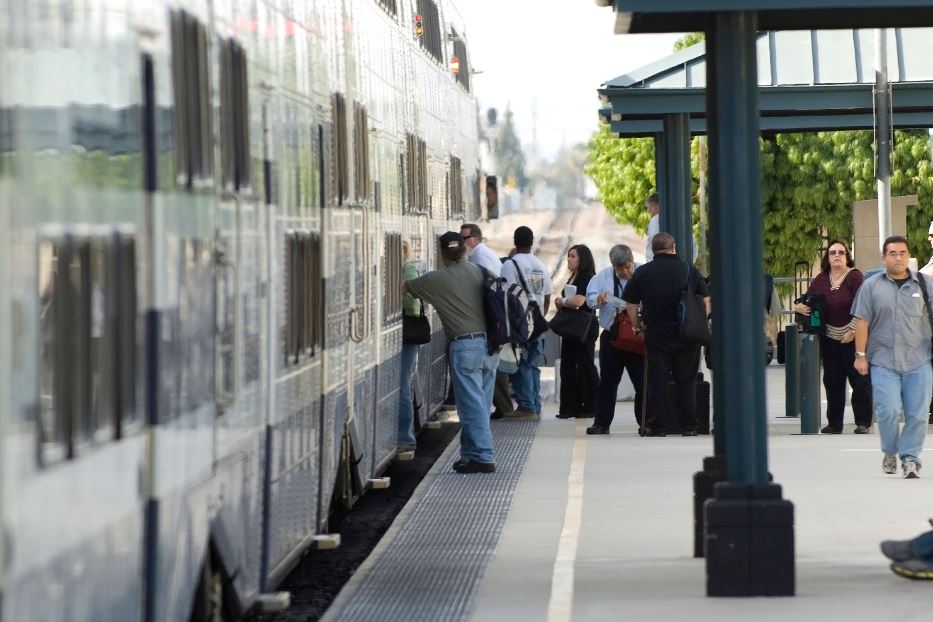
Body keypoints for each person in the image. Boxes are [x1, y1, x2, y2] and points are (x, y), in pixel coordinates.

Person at [403, 232, 499, 474]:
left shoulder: (436, 279)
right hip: (490, 347)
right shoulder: (479, 271)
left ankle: (484, 456)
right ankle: (469, 455)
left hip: (465, 347)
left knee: (471, 406)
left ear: (442, 252)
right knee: (480, 403)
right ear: (464, 250)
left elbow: (404, 287)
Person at [852, 235, 933, 479]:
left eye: (902, 253)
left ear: (908, 256)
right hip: (883, 361)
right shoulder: (871, 286)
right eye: (893, 253)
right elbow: (862, 322)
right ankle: (889, 451)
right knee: (887, 411)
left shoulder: (925, 284)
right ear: (884, 257)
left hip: (919, 360)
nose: (898, 258)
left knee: (918, 414)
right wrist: (860, 355)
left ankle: (910, 459)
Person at [623, 232, 709, 436]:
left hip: (656, 334)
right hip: (687, 334)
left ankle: (657, 426)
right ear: (674, 247)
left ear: (653, 250)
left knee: (657, 381)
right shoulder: (688, 270)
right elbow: (706, 300)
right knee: (686, 381)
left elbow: (631, 304)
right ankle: (689, 426)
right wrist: (698, 322)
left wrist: (637, 327)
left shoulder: (643, 272)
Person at [793, 240, 872, 434]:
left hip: (853, 336)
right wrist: (799, 307)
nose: (837, 256)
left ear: (847, 256)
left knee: (859, 380)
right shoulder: (821, 279)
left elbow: (863, 305)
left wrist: (853, 330)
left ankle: (863, 422)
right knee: (832, 380)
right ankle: (834, 424)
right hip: (829, 336)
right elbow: (807, 300)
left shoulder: (855, 276)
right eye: (833, 253)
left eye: (841, 253)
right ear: (827, 257)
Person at [585, 245, 643, 435]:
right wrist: (599, 300)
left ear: (632, 260)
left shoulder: (643, 272)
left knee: (642, 382)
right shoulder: (603, 277)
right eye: (621, 269)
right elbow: (590, 298)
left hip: (637, 335)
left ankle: (645, 421)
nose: (626, 272)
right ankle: (601, 423)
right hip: (612, 336)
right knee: (608, 382)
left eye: (628, 267)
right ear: (613, 267)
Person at [500, 226, 551, 420]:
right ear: (532, 242)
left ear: (515, 241)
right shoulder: (540, 264)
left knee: (521, 364)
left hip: (520, 323)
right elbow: (546, 296)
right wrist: (539, 316)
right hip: (537, 322)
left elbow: (507, 296)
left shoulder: (510, 265)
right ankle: (535, 405)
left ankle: (526, 407)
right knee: (533, 365)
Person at [554, 244, 599, 419]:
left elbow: (579, 301)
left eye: (573, 256)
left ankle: (591, 405)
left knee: (585, 364)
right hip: (572, 327)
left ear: (583, 259)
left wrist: (562, 301)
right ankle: (569, 407)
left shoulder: (587, 278)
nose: (569, 259)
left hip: (583, 327)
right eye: (569, 256)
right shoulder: (574, 277)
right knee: (568, 366)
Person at [398, 241, 425, 451]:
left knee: (402, 383)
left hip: (408, 332)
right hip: (402, 332)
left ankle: (406, 437)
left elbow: (413, 303)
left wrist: (394, 293)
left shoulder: (409, 269)